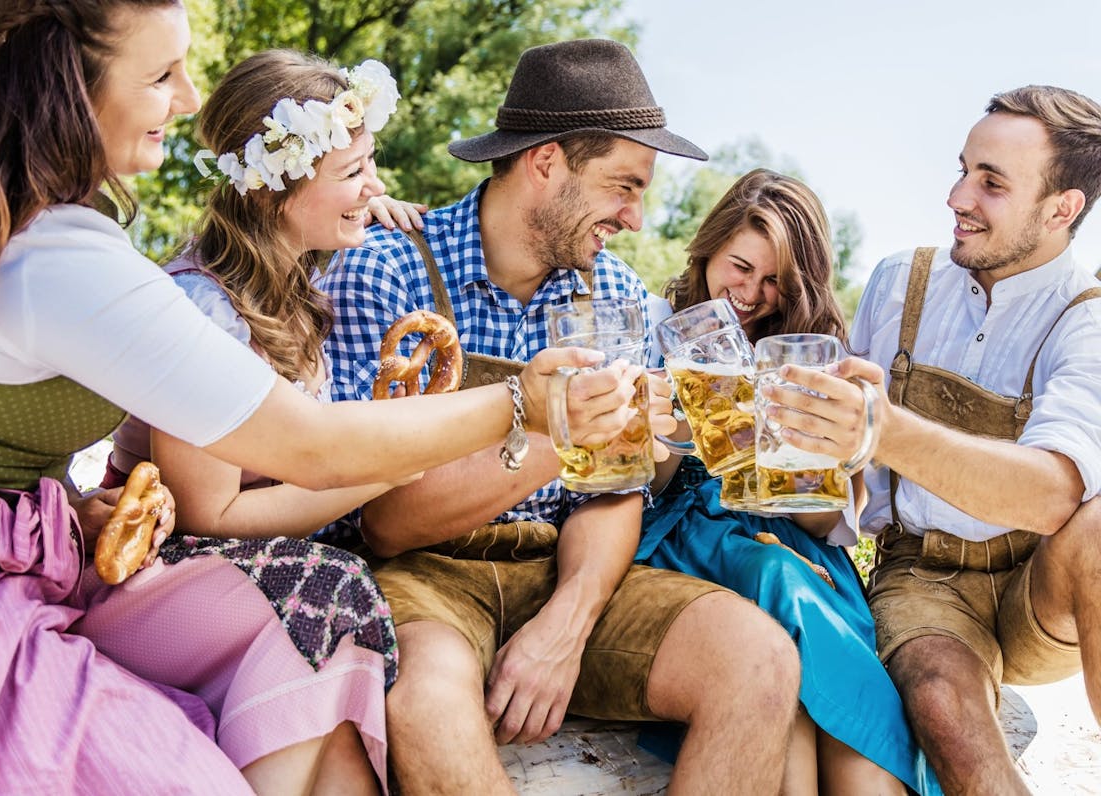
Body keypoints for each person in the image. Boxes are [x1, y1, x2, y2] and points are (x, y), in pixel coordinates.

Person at [0, 4, 638, 793]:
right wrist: (529, 405)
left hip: (31, 546)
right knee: (323, 598)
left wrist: (358, 202)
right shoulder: (76, 264)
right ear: (67, 90)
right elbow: (309, 448)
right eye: (161, 75)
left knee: (331, 615)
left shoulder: (7, 226)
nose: (188, 99)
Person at [318, 39, 801, 794]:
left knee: (758, 659)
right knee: (426, 702)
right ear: (546, 163)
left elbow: (611, 493)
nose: (637, 218)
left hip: (563, 568)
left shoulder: (616, 296)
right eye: (623, 186)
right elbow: (384, 521)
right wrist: (556, 429)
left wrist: (566, 627)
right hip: (421, 578)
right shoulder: (385, 268)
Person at [91, 49, 438, 793]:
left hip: (238, 570)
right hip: (151, 574)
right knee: (332, 588)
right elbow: (206, 515)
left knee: (337, 689)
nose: (376, 187)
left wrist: (356, 197)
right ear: (278, 190)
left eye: (371, 166)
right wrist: (378, 471)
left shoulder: (292, 277)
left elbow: (335, 201)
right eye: (355, 172)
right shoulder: (206, 307)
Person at [766, 85, 1101, 794]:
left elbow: (1052, 497)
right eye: (962, 169)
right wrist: (814, 448)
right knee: (944, 708)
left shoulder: (1087, 319)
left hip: (1039, 585)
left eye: (991, 183)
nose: (956, 196)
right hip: (922, 578)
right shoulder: (899, 282)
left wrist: (884, 427)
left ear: (1061, 209)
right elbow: (849, 493)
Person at [636, 169, 938, 795]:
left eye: (774, 281)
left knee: (803, 627)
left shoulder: (811, 355)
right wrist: (681, 425)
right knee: (783, 593)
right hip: (682, 538)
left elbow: (827, 525)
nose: (750, 293)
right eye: (740, 266)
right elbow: (648, 486)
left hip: (786, 542)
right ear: (709, 248)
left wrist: (803, 462)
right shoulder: (658, 322)